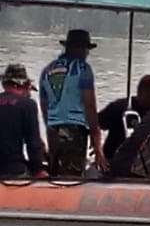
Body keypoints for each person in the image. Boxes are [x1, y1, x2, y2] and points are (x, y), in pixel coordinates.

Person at [39, 28, 105, 176]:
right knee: (72, 178)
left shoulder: (47, 70)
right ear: (81, 49)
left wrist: (50, 125)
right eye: (86, 49)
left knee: (55, 173)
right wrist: (96, 136)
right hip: (75, 130)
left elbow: (44, 105)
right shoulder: (83, 69)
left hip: (53, 129)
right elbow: (89, 105)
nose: (87, 53)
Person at [0, 64, 47, 179]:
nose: (30, 94)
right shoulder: (28, 105)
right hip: (11, 168)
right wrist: (39, 170)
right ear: (26, 85)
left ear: (4, 84)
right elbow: (33, 142)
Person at [98, 73, 150, 160]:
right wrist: (97, 147)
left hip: (142, 164)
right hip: (112, 159)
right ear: (143, 92)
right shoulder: (119, 107)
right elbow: (96, 123)